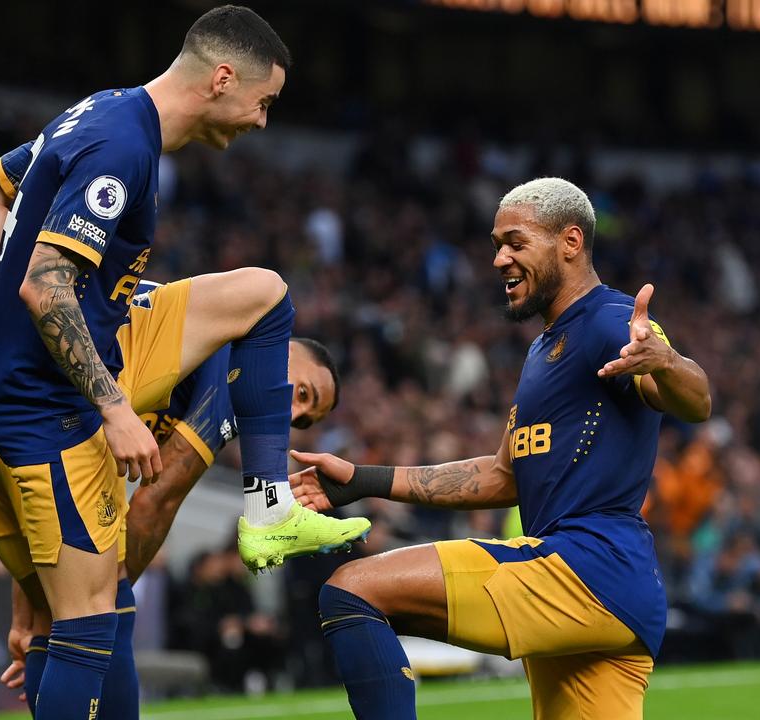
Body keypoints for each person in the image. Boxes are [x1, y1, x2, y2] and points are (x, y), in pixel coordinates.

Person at [0, 7, 364, 717]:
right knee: (87, 617)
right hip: (44, 402)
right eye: (263, 103)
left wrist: (31, 287)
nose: (262, 122)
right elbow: (44, 282)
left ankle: (267, 507)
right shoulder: (122, 147)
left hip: (68, 358)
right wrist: (113, 409)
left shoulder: (104, 111)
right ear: (222, 78)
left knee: (265, 294)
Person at [291, 177, 712, 719]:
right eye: (496, 245)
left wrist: (666, 361)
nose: (499, 259)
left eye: (515, 242)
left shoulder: (612, 321)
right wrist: (363, 481)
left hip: (584, 568)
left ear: (570, 242)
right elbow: (501, 477)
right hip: (617, 595)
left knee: (354, 589)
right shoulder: (545, 349)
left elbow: (695, 399)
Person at [0, 288, 352, 715]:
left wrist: (34, 609)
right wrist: (99, 590)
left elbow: (43, 517)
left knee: (54, 614)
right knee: (102, 612)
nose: (291, 415)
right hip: (34, 395)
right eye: (303, 394)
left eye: (304, 420)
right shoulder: (241, 361)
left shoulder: (189, 332)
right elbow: (159, 498)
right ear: (281, 347)